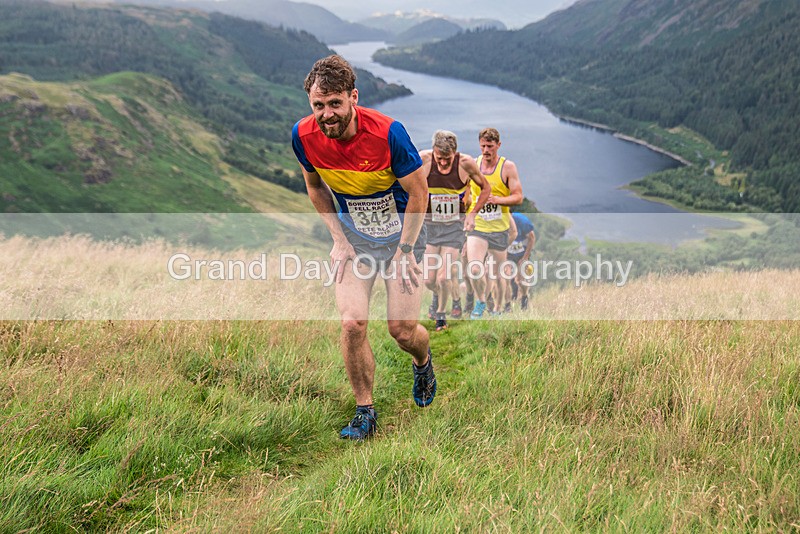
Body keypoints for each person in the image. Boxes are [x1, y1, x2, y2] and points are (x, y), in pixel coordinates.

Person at [291, 55, 435, 441]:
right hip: (356, 241)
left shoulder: (389, 133)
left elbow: (419, 192)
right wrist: (338, 239)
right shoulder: (303, 135)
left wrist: (406, 250)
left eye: (335, 103)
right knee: (352, 323)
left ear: (353, 97)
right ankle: (365, 411)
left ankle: (423, 360)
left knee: (402, 331)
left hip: (403, 237)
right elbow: (315, 186)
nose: (327, 114)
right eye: (318, 105)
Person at [419, 130, 490, 331]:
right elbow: (405, 183)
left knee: (444, 277)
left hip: (454, 228)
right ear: (433, 151)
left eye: (447, 159)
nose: (443, 163)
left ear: (455, 153)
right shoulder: (423, 160)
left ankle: (441, 315)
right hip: (430, 225)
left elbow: (486, 188)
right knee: (429, 280)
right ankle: (440, 295)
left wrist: (472, 214)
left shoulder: (465, 163)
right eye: (439, 158)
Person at [465, 127, 523, 318]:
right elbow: (466, 189)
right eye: (483, 146)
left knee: (498, 275)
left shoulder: (507, 167)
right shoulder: (473, 164)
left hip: (499, 228)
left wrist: (498, 200)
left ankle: (497, 309)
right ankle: (481, 301)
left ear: (498, 145)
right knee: (475, 269)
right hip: (479, 227)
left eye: (490, 146)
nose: (486, 150)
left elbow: (518, 197)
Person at [506, 212, 537, 311]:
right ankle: (507, 306)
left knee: (521, 281)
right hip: (508, 254)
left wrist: (525, 257)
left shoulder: (521, 220)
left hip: (522, 253)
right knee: (505, 278)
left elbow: (532, 238)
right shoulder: (497, 222)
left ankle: (524, 297)